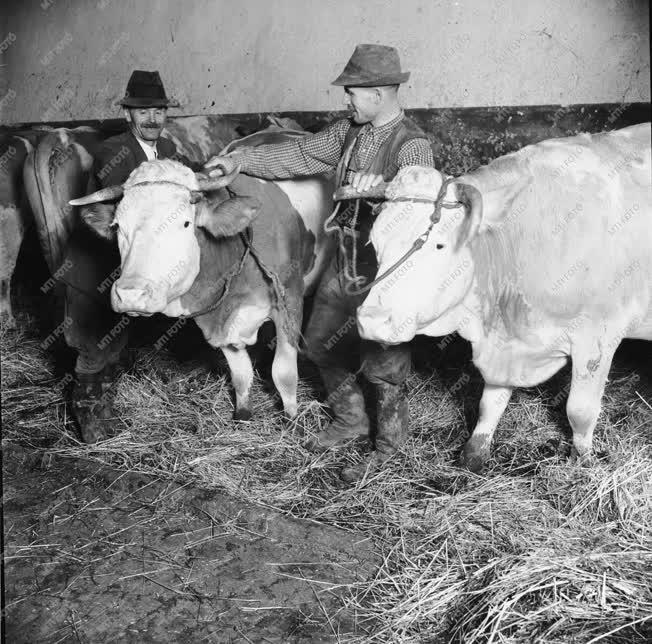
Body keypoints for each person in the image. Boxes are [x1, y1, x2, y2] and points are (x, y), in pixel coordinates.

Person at [205, 44, 434, 481]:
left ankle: (388, 448)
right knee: (320, 341)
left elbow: (423, 199)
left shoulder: (413, 144)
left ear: (378, 93)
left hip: (386, 266)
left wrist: (385, 187)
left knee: (384, 360)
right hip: (344, 255)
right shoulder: (348, 131)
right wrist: (239, 160)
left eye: (351, 92)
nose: (346, 100)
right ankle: (351, 420)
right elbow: (299, 155)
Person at [64, 70, 197, 442]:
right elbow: (136, 207)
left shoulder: (169, 152)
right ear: (128, 115)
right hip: (98, 265)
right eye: (142, 112)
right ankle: (89, 417)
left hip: (133, 265)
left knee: (117, 340)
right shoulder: (113, 152)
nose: (152, 118)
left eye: (158, 110)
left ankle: (104, 410)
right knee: (94, 343)